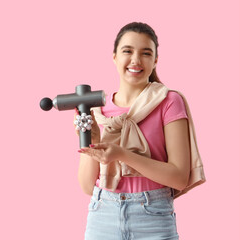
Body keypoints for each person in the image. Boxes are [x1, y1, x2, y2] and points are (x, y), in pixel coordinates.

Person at [75, 22, 205, 240]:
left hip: (153, 217)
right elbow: (88, 186)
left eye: (146, 53)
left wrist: (121, 154)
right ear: (114, 56)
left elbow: (179, 177)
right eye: (127, 51)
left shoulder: (168, 101)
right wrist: (92, 142)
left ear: (155, 61)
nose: (136, 60)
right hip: (102, 215)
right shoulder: (97, 110)